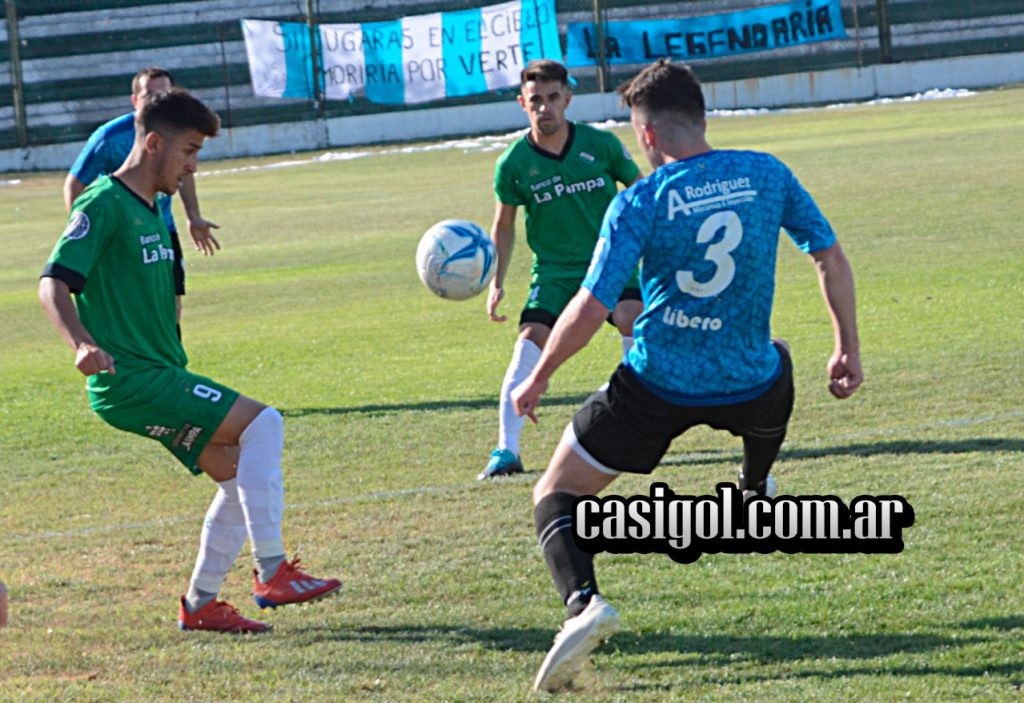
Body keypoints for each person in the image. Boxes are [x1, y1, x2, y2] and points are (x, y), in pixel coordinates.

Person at [512, 59, 863, 691]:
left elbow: (591, 306)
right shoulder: (766, 173)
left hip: (656, 386)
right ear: (702, 118)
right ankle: (754, 486)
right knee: (778, 359)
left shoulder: (639, 200)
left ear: (646, 134)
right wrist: (847, 348)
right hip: (748, 382)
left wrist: (538, 376)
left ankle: (582, 605)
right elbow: (828, 257)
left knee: (555, 492)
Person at [39, 88, 341, 634]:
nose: (193, 166)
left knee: (239, 480)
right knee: (264, 424)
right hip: (132, 380)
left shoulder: (153, 209)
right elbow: (52, 283)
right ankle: (272, 570)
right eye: (189, 151)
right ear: (154, 143)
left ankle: (201, 604)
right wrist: (81, 343)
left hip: (158, 374)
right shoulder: (102, 204)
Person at [480, 59, 644, 480]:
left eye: (553, 98)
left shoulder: (601, 145)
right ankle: (506, 450)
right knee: (528, 343)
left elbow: (641, 192)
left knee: (632, 317)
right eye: (535, 100)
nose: (545, 107)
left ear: (568, 99)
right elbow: (504, 225)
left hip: (610, 262)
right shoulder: (513, 163)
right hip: (554, 272)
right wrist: (496, 281)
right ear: (522, 104)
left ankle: (634, 428)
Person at [63, 66, 221, 324]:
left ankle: (170, 346)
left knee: (170, 300)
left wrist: (193, 216)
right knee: (131, 302)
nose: (160, 102)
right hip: (124, 232)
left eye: (165, 95)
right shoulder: (109, 137)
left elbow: (185, 173)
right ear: (135, 101)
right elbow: (74, 184)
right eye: (151, 96)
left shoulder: (179, 136)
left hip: (162, 227)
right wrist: (88, 233)